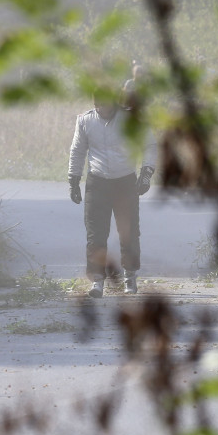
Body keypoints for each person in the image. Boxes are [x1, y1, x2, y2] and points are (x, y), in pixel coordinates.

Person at [68, 88, 157, 298]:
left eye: (106, 106)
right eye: (98, 106)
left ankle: (130, 276)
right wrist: (73, 180)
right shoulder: (85, 121)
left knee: (129, 233)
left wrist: (146, 173)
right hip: (97, 183)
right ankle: (97, 281)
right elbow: (78, 150)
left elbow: (149, 144)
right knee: (95, 233)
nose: (102, 110)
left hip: (125, 182)